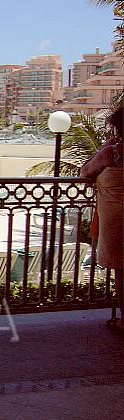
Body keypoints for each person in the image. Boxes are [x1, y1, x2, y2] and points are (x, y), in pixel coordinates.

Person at [80, 106, 124, 330]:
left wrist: (105, 146)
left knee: (122, 271)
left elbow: (85, 171)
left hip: (117, 221)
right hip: (115, 220)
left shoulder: (113, 153)